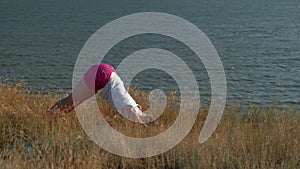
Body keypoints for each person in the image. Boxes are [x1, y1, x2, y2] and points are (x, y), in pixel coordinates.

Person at [46, 63, 152, 125]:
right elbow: (130, 110)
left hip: (107, 73)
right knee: (72, 100)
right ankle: (47, 118)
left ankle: (52, 119)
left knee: (75, 101)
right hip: (103, 76)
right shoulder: (133, 112)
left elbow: (135, 108)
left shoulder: (137, 107)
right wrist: (143, 127)